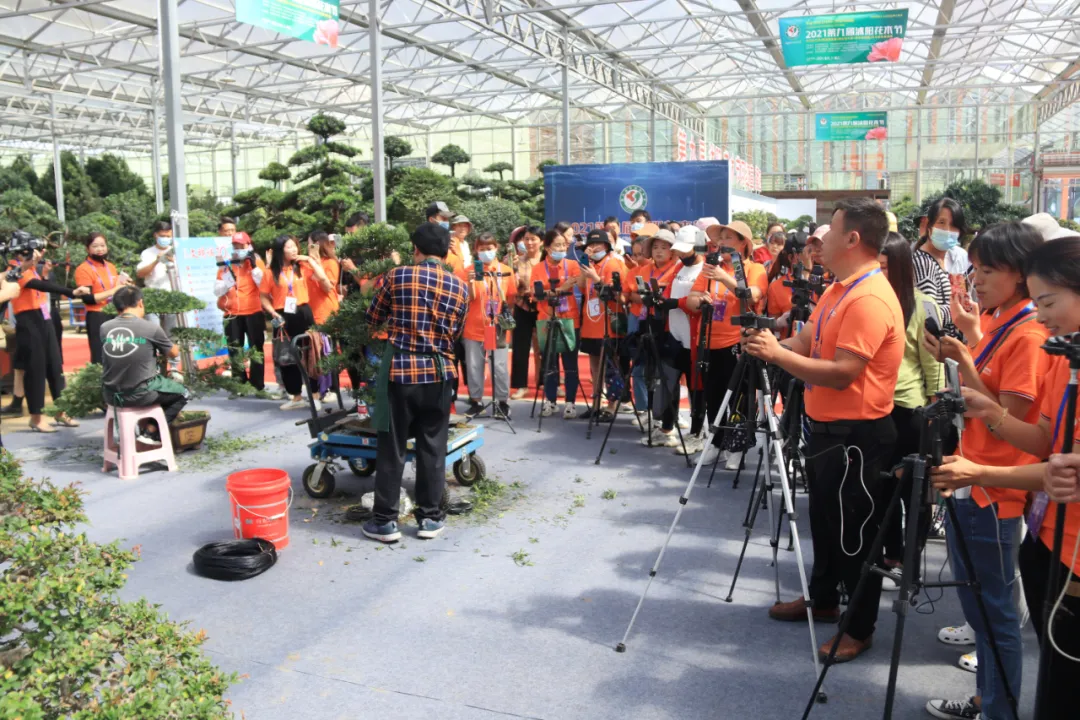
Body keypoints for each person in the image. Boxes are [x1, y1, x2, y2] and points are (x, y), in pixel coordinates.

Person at [746, 197, 904, 664]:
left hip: (859, 436)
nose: (821, 240)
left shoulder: (870, 297)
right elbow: (807, 340)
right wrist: (771, 343)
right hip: (828, 430)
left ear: (853, 239)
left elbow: (841, 372)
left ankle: (859, 627)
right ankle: (824, 598)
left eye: (829, 231)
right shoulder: (839, 289)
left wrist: (777, 357)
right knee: (826, 524)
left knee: (855, 534)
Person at [929, 236, 1080, 719]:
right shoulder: (1060, 352)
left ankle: (996, 708)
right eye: (1038, 304)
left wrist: (982, 468)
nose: (1042, 315)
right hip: (1045, 530)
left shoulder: (1032, 338)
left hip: (1033, 516)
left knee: (1015, 631)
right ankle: (993, 703)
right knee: (1051, 668)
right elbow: (1043, 439)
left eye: (1050, 302)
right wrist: (988, 409)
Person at [363, 222, 468, 544]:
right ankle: (430, 519)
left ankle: (384, 521)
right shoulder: (461, 286)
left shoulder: (397, 275)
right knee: (432, 447)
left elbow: (372, 317)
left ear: (416, 249)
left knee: (392, 446)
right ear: (446, 251)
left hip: (402, 371)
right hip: (440, 374)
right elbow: (456, 333)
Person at [877, 232, 945, 589]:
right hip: (875, 409)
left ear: (901, 268)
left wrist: (934, 413)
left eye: (884, 267)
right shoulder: (870, 300)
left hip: (911, 412)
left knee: (913, 496)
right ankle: (889, 555)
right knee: (881, 490)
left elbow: (933, 365)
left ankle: (912, 566)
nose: (877, 273)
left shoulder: (921, 305)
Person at [687, 220, 768, 466]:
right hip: (709, 341)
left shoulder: (754, 268)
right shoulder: (711, 268)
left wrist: (725, 278)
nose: (721, 243)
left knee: (739, 397)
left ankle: (737, 446)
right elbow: (690, 300)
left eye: (728, 238)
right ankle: (717, 441)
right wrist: (700, 299)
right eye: (720, 238)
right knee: (713, 394)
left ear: (743, 243)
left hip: (737, 342)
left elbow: (752, 295)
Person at [5, 236, 88, 431]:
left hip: (44, 318)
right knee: (36, 369)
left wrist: (43, 272)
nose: (37, 253)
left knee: (55, 365)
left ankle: (62, 411)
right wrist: (71, 292)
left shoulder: (32, 268)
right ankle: (36, 417)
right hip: (28, 320)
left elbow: (41, 285)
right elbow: (39, 286)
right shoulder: (14, 270)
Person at [643, 226, 706, 449]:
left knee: (696, 387)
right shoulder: (679, 266)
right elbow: (668, 289)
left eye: (686, 250)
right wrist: (658, 299)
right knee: (669, 382)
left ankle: (697, 433)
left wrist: (675, 303)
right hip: (674, 333)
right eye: (679, 250)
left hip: (695, 338)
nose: (681, 254)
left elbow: (699, 304)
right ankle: (667, 428)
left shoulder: (706, 269)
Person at [100, 286, 189, 441]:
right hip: (140, 394)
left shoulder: (104, 328)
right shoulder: (150, 328)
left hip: (110, 394)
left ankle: (137, 432)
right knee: (183, 393)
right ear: (140, 303)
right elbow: (173, 353)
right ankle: (150, 432)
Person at [259, 234, 328, 410]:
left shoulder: (302, 267)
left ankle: (315, 395)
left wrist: (310, 260)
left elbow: (322, 277)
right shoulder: (270, 272)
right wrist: (273, 313)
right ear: (280, 250)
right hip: (282, 316)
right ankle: (296, 396)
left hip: (303, 312)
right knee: (286, 356)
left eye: (295, 246)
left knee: (311, 354)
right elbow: (264, 296)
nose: (294, 249)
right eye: (289, 247)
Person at [457, 232, 516, 418]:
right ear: (476, 251)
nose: (486, 252)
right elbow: (466, 299)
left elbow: (512, 297)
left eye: (489, 249)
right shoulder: (468, 271)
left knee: (499, 365)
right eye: (482, 249)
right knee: (474, 365)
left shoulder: (505, 270)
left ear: (496, 248)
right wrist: (470, 282)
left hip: (497, 326)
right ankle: (476, 402)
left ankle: (502, 402)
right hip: (474, 326)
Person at [626, 227, 678, 427]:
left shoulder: (678, 269)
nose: (658, 251)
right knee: (644, 367)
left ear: (672, 251)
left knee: (665, 372)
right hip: (646, 322)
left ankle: (667, 418)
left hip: (669, 325)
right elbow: (634, 294)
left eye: (664, 247)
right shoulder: (645, 270)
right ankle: (647, 412)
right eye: (655, 247)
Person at [530, 227, 582, 419]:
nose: (561, 248)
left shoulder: (572, 266)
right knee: (550, 363)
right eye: (557, 245)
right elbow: (536, 296)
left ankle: (570, 402)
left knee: (570, 363)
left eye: (564, 245)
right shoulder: (538, 268)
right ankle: (550, 401)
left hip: (569, 319)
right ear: (547, 247)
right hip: (546, 319)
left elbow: (580, 285)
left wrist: (553, 292)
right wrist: (560, 289)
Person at [578, 228, 627, 421]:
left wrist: (596, 279)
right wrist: (584, 267)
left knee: (611, 366)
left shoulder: (614, 264)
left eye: (597, 244)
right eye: (590, 245)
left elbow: (617, 295)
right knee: (595, 367)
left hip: (609, 324)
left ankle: (612, 405)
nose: (593, 248)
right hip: (591, 322)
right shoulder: (589, 265)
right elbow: (582, 287)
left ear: (607, 246)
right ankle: (596, 403)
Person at [214, 232, 267, 389]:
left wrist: (255, 266)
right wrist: (228, 280)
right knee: (234, 349)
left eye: (241, 246)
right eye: (235, 246)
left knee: (255, 348)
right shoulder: (226, 265)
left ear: (249, 246)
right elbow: (216, 290)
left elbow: (262, 284)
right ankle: (239, 382)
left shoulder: (256, 262)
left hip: (253, 312)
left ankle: (257, 384)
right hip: (231, 313)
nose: (238, 249)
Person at [913, 197, 971, 329]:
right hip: (936, 346)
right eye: (941, 222)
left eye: (954, 225)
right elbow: (929, 317)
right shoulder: (924, 263)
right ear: (929, 226)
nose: (947, 230)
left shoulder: (946, 259)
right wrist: (957, 308)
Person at [74, 232, 130, 365]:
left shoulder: (110, 266)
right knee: (100, 354)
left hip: (114, 313)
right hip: (97, 315)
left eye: (103, 246)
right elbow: (88, 299)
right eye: (95, 246)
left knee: (118, 351)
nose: (100, 249)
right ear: (87, 249)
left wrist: (123, 284)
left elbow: (115, 287)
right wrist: (112, 291)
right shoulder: (83, 269)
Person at [137, 220, 181, 377]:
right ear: (155, 235)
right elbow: (140, 274)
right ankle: (153, 369)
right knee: (153, 333)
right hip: (153, 298)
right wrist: (157, 260)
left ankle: (175, 368)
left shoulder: (177, 251)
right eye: (162, 236)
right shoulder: (147, 253)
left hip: (172, 297)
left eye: (168, 236)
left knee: (172, 335)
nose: (165, 238)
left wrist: (174, 262)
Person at [305, 231, 342, 404]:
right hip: (310, 313)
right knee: (315, 353)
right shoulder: (305, 263)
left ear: (320, 244)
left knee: (329, 352)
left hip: (327, 312)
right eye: (307, 244)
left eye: (311, 243)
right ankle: (318, 390)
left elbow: (328, 287)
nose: (308, 247)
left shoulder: (331, 262)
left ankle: (333, 388)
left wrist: (316, 265)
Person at [510, 226, 543, 400]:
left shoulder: (546, 260)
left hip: (542, 307)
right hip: (522, 306)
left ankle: (545, 381)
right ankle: (521, 385)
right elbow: (512, 286)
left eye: (533, 239)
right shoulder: (517, 261)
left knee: (544, 347)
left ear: (542, 242)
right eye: (527, 239)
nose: (529, 242)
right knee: (520, 347)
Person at [764, 232, 817, 335]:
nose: (810, 256)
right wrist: (781, 321)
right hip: (790, 345)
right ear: (790, 257)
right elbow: (773, 326)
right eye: (805, 252)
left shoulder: (822, 280)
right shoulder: (776, 286)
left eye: (811, 251)